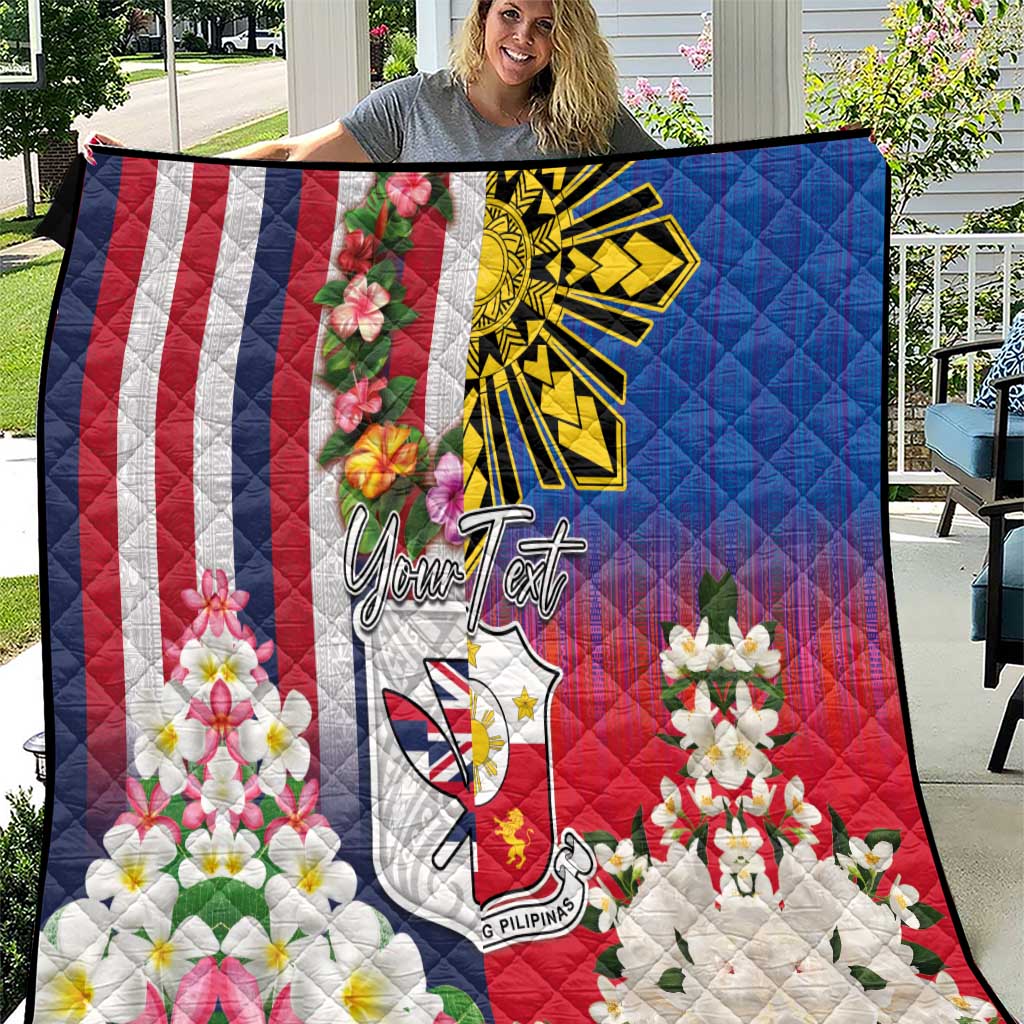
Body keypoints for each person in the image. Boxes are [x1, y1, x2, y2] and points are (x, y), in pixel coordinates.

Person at [84, 0, 661, 163]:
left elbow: (689, 189)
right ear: (483, 16)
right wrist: (150, 166)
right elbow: (291, 153)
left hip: (545, 344)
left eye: (544, 25)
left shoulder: (589, 116)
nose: (522, 36)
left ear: (564, 39)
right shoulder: (414, 105)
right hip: (430, 334)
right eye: (510, 14)